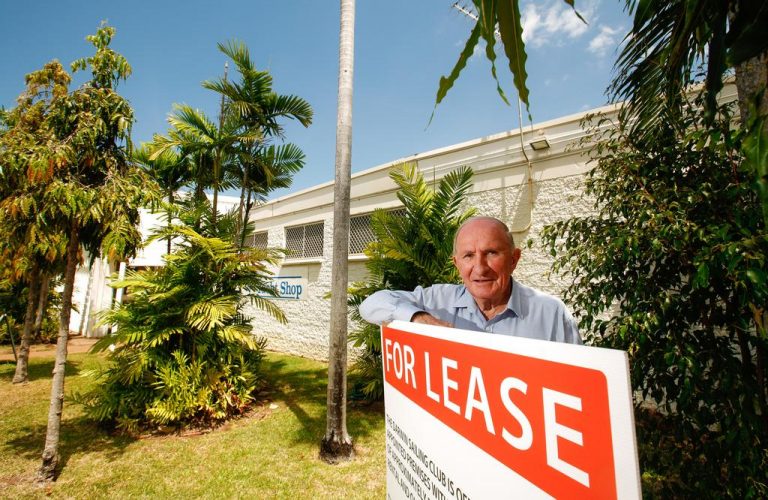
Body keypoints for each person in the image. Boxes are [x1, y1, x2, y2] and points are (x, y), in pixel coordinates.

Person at [359, 216, 581, 344]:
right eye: (468, 256)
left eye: (492, 253)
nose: (480, 268)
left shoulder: (551, 313)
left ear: (514, 259)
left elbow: (578, 384)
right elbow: (371, 305)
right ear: (457, 264)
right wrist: (418, 318)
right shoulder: (437, 301)